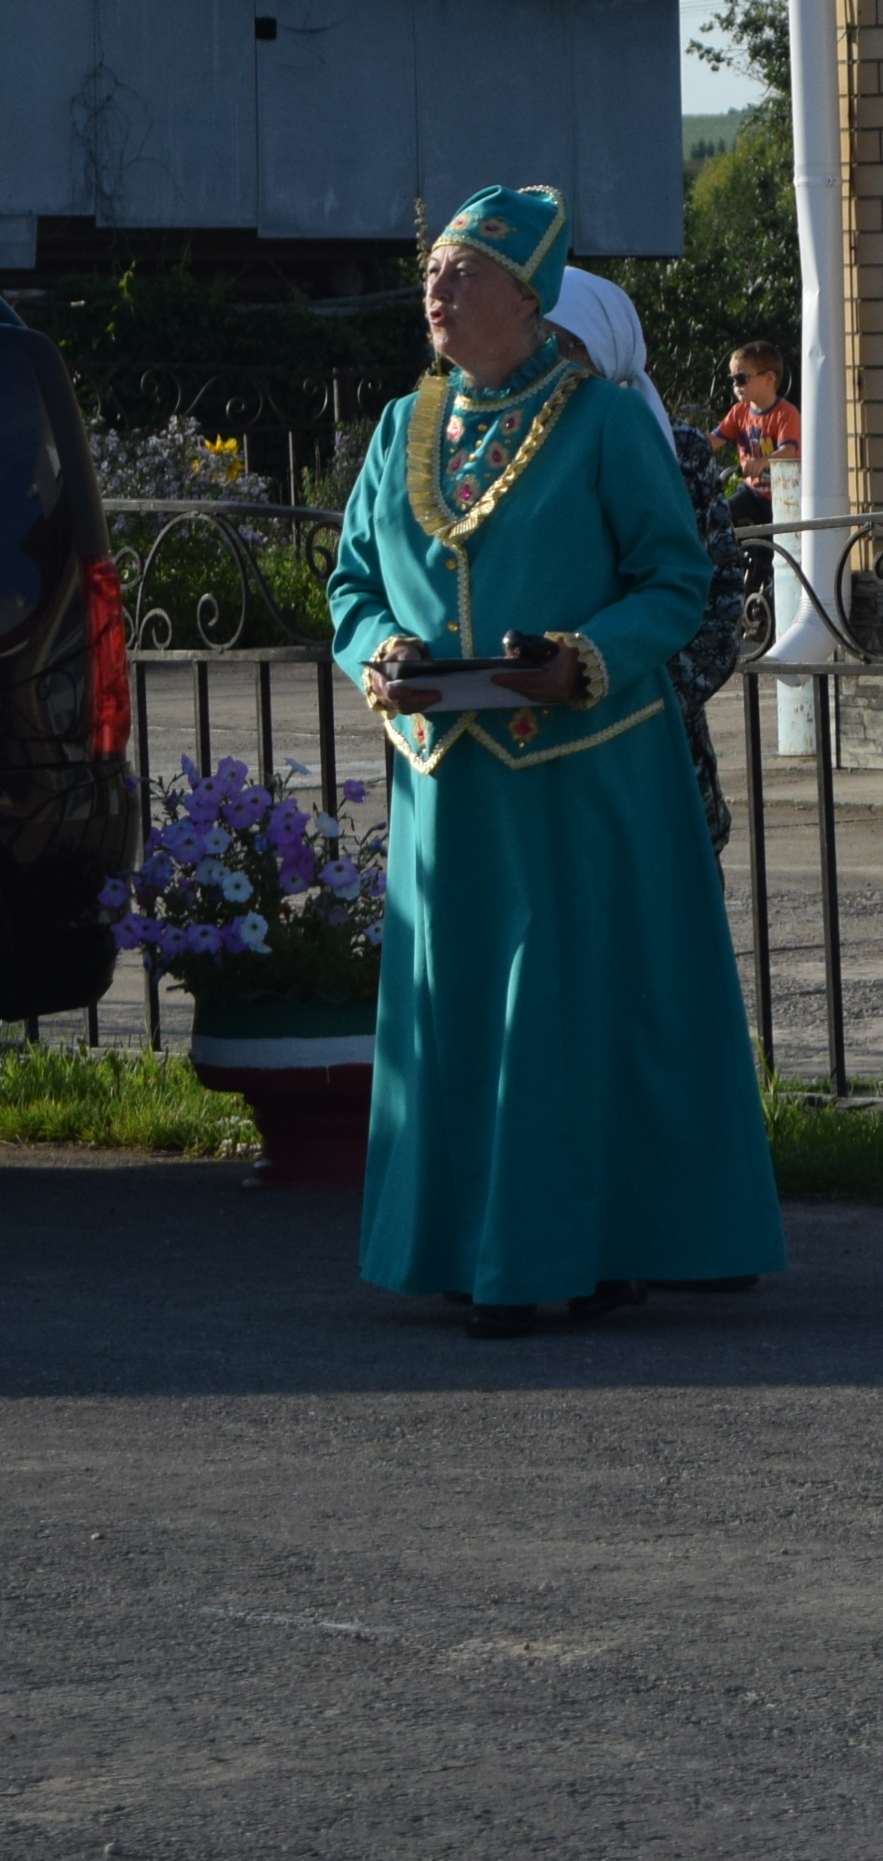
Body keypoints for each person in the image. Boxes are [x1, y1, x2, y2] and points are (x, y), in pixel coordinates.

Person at [325, 185, 785, 1338]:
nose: (436, 289)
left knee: (563, 1015)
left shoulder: (601, 421)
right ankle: (476, 1247)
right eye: (432, 270)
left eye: (462, 271)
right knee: (461, 1014)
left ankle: (558, 1258)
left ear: (528, 299)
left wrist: (581, 659)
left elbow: (675, 584)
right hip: (449, 782)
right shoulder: (400, 427)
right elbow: (351, 585)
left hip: (580, 768)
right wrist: (379, 648)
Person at [551, 270, 756, 850]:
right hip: (549, 750)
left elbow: (716, 609)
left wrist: (636, 696)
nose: (550, 364)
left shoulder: (677, 446)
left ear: (606, 349)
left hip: (657, 747)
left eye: (565, 346)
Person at [714, 342, 799, 525]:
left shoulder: (786, 413)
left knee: (773, 545)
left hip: (784, 497)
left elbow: (788, 451)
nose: (735, 385)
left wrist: (761, 462)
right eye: (732, 379)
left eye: (741, 378)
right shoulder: (739, 412)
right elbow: (715, 439)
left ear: (769, 379)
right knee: (723, 515)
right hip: (751, 492)